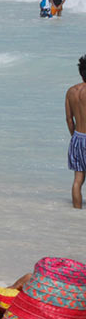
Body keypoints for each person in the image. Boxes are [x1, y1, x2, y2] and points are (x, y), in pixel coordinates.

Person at [66, 55, 86, 209]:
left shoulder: (71, 91)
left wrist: (75, 137)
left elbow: (69, 120)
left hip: (78, 138)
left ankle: (76, 214)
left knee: (78, 180)